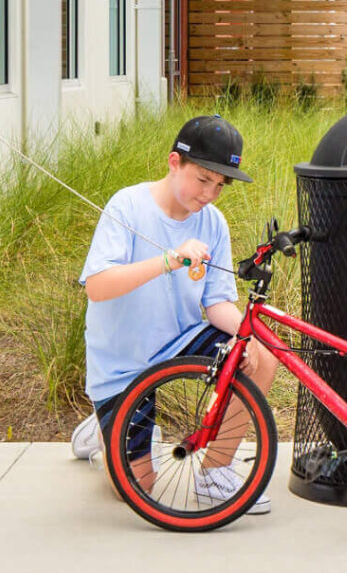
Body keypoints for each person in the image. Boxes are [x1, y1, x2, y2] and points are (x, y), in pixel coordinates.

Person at [70, 111, 281, 512]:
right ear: (174, 162)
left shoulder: (213, 222)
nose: (210, 193)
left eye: (220, 185)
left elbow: (216, 302)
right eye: (203, 179)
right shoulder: (128, 206)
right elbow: (97, 287)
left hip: (180, 340)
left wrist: (243, 333)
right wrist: (168, 260)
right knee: (136, 491)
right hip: (122, 362)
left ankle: (214, 475)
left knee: (260, 357)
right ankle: (100, 436)